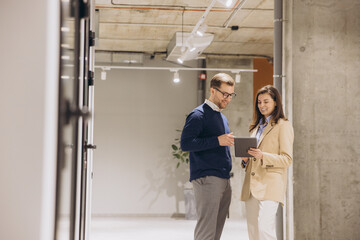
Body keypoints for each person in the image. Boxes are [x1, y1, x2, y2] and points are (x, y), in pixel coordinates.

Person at [181, 73, 236, 240]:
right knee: (206, 231)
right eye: (224, 94)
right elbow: (186, 143)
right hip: (207, 178)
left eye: (231, 95)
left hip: (223, 179)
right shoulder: (198, 115)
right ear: (213, 90)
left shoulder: (222, 117)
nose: (228, 98)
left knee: (216, 231)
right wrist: (217, 140)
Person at [240, 85, 294, 240]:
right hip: (251, 185)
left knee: (265, 229)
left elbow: (287, 159)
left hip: (271, 185)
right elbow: (253, 158)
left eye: (266, 102)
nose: (262, 106)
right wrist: (245, 161)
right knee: (254, 232)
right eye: (259, 102)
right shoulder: (256, 127)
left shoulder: (283, 125)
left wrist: (263, 155)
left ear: (276, 102)